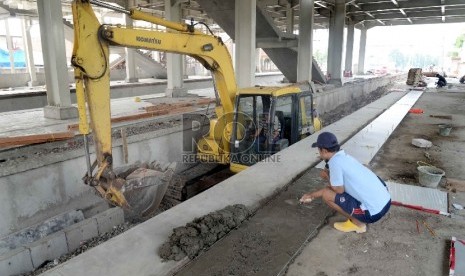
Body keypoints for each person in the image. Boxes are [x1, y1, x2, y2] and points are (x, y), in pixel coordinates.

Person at [300, 132, 391, 233]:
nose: (319, 153)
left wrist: (326, 179)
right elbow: (329, 165)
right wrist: (327, 171)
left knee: (327, 195)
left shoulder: (335, 163)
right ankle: (359, 215)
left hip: (373, 213)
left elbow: (338, 190)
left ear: (324, 150)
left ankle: (358, 224)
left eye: (319, 150)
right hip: (385, 201)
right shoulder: (344, 156)